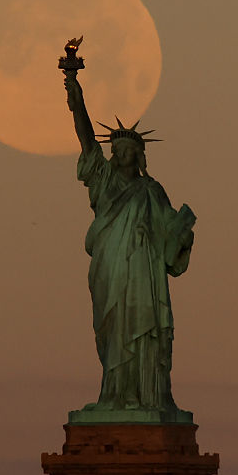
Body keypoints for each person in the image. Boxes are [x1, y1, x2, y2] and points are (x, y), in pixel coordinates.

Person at [64, 70, 195, 414]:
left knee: (143, 327)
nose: (121, 155)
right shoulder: (103, 179)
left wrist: (182, 234)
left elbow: (170, 239)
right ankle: (116, 395)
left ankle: (147, 395)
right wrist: (77, 98)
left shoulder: (152, 191)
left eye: (128, 151)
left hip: (143, 271)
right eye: (117, 150)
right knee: (114, 329)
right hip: (111, 266)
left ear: (139, 157)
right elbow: (86, 141)